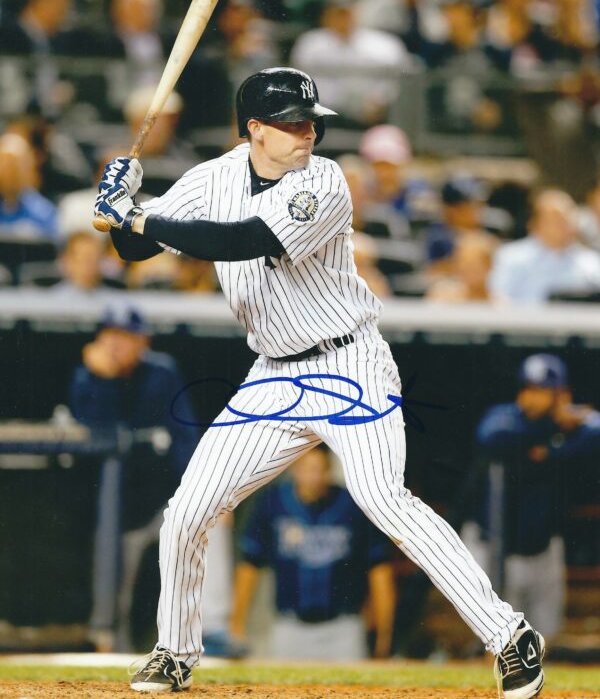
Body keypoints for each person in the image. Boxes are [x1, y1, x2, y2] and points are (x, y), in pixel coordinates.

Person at [94, 67, 546, 698]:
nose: (308, 132)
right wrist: (120, 206)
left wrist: (138, 218)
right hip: (273, 373)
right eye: (293, 123)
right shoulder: (213, 178)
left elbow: (245, 240)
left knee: (382, 498)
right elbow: (135, 252)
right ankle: (174, 651)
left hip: (349, 363)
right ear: (255, 128)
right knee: (188, 511)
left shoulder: (323, 180)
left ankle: (510, 635)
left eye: (312, 121)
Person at [69, 307, 199, 651]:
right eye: (109, 334)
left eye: (125, 336)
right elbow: (101, 433)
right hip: (117, 509)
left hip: (164, 498)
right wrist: (105, 380)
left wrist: (200, 491)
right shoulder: (87, 377)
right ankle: (112, 648)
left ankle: (212, 631)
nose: (115, 343)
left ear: (143, 341)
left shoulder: (162, 372)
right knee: (115, 591)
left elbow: (184, 434)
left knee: (210, 521)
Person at [463, 354, 600, 641]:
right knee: (498, 639)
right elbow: (490, 435)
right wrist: (552, 429)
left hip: (542, 550)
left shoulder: (571, 424)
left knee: (545, 636)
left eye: (543, 391)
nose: (533, 397)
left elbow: (596, 428)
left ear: (561, 394)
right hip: (496, 549)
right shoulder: (505, 418)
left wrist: (552, 449)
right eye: (529, 388)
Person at [230, 443, 395, 660]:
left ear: (329, 470)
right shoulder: (273, 501)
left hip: (343, 627)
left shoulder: (352, 504)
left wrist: (385, 631)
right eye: (307, 469)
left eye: (320, 470)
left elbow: (379, 567)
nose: (314, 478)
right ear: (294, 469)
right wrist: (237, 623)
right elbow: (250, 564)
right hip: (290, 625)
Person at [489, 188, 600, 304]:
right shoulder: (511, 257)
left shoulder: (591, 262)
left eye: (568, 217)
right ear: (536, 222)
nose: (564, 224)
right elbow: (499, 298)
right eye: (555, 218)